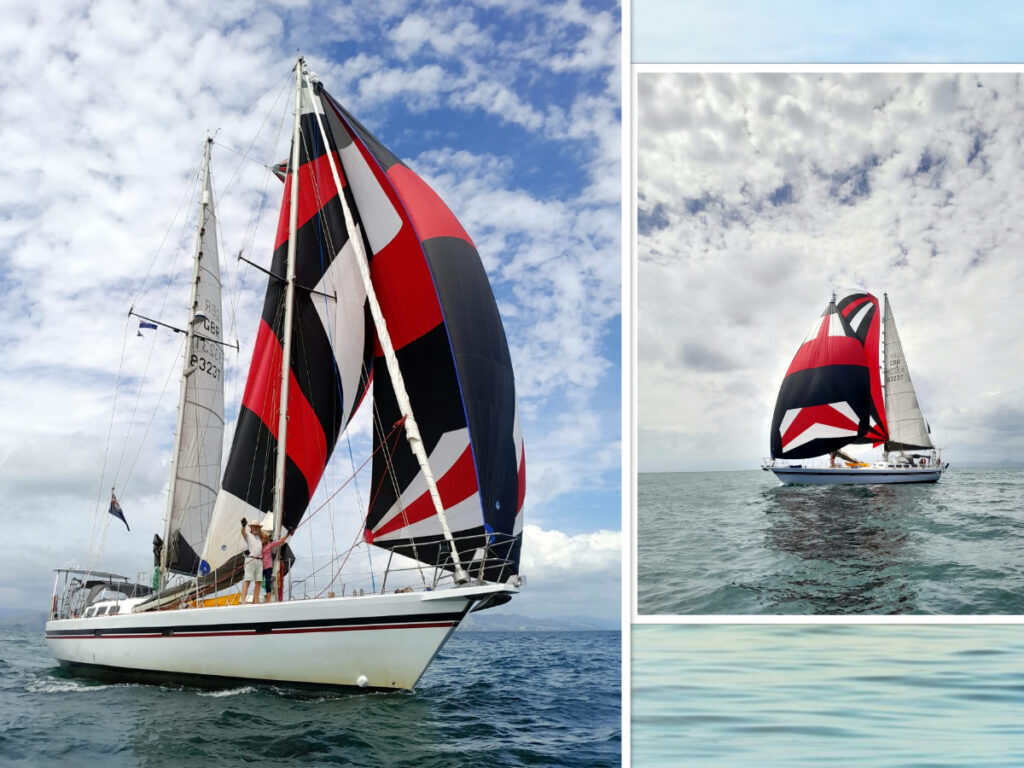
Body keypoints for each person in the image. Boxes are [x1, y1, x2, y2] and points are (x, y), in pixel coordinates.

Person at [259, 527, 294, 602]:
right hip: (261, 567)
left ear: (267, 538)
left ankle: (268, 600)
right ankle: (257, 597)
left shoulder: (270, 544)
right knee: (258, 581)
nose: (263, 538)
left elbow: (281, 541)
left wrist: (288, 534)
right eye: (262, 537)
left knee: (267, 583)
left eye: (264, 537)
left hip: (268, 567)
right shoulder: (259, 546)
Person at [239, 518, 264, 605]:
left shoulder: (259, 537)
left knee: (258, 582)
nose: (255, 528)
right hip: (251, 560)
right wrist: (243, 526)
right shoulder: (248, 535)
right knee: (247, 581)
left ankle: (256, 601)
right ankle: (243, 601)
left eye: (257, 527)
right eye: (254, 527)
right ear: (251, 527)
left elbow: (265, 536)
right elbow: (243, 533)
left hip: (259, 561)